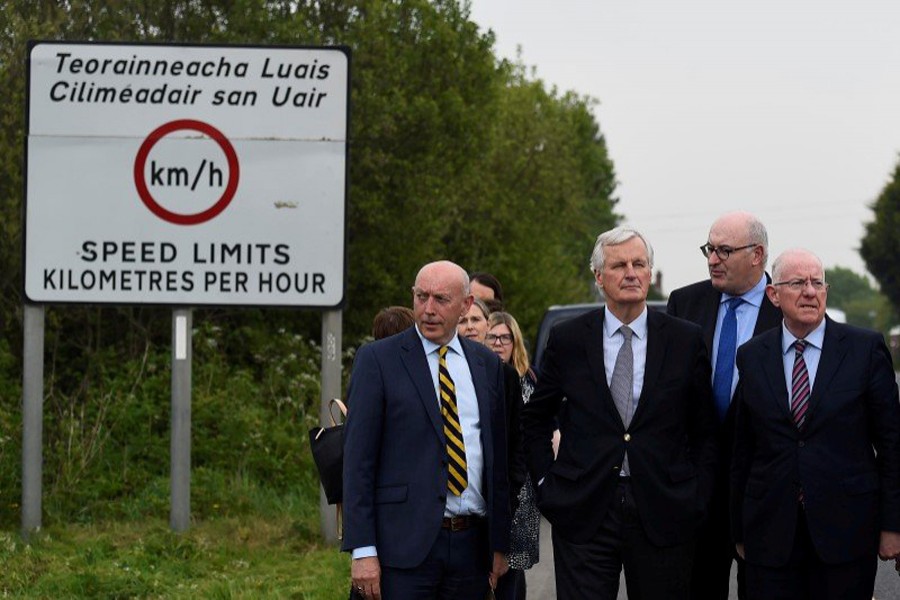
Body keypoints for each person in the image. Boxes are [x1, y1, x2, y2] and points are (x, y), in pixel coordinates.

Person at [521, 227, 718, 599]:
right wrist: (548, 484)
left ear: (649, 272)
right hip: (584, 511)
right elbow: (535, 418)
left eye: (639, 263)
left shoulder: (684, 339)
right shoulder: (568, 339)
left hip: (664, 509)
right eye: (619, 265)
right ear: (599, 276)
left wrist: (697, 494)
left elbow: (704, 429)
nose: (631, 272)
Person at [730, 248, 900, 600]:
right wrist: (738, 529)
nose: (809, 291)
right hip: (770, 533)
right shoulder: (752, 355)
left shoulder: (864, 349)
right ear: (773, 295)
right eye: (797, 283)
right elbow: (743, 448)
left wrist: (893, 525)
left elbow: (893, 443)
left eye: (817, 282)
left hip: (846, 533)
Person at [342, 260, 510, 599]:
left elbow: (497, 459)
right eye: (421, 297)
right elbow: (357, 461)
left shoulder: (486, 364)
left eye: (441, 299)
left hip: (471, 547)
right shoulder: (379, 360)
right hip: (403, 548)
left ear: (466, 306)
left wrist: (499, 543)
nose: (428, 309)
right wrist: (362, 549)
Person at [666, 211, 782, 600]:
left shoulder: (786, 310)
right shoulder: (685, 303)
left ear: (757, 255)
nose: (712, 259)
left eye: (724, 251)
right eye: (709, 249)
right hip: (697, 487)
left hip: (762, 489)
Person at [486, 311, 541, 600]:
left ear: (514, 341)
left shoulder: (530, 378)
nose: (498, 343)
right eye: (492, 337)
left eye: (504, 337)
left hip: (523, 486)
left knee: (514, 565)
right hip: (501, 480)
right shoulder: (483, 376)